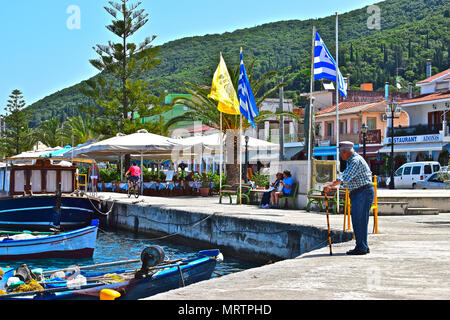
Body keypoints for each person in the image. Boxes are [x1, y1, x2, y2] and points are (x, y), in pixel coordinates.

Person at [323, 141, 374, 255]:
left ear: (345, 152)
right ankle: (363, 246)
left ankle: (361, 247)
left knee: (359, 220)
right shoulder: (353, 160)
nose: (340, 155)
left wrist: (331, 185)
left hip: (362, 192)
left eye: (341, 152)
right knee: (360, 220)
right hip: (361, 192)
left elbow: (345, 176)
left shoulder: (355, 161)